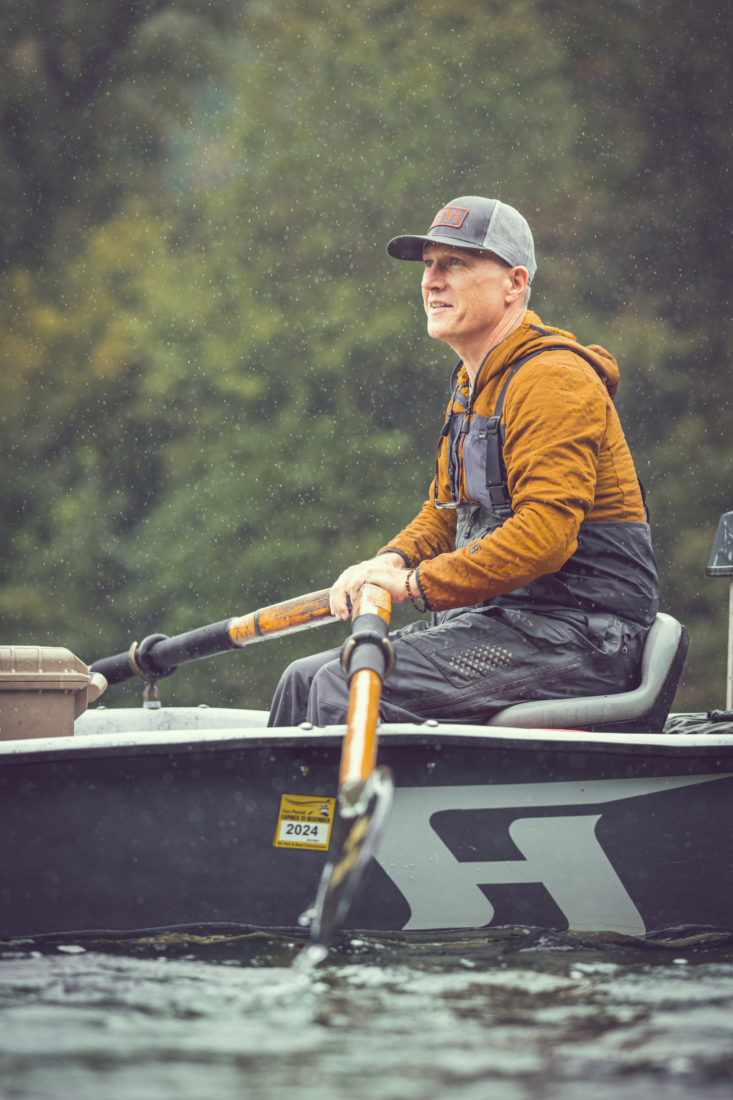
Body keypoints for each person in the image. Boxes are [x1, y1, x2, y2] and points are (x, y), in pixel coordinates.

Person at [268, 195, 658, 727]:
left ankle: (370, 789)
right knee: (303, 680)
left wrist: (413, 585)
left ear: (514, 283)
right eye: (429, 265)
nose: (432, 281)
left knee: (344, 687)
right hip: (505, 622)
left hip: (582, 635)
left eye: (455, 263)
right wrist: (391, 561)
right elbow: (446, 513)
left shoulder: (552, 380)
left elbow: (545, 536)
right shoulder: (471, 385)